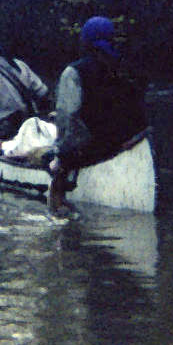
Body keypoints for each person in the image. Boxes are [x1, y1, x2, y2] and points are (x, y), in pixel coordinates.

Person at [47, 16, 148, 215]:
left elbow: (67, 117)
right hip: (122, 143)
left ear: (85, 42)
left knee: (52, 161)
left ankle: (58, 200)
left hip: (89, 149)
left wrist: (59, 154)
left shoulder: (74, 72)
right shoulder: (127, 69)